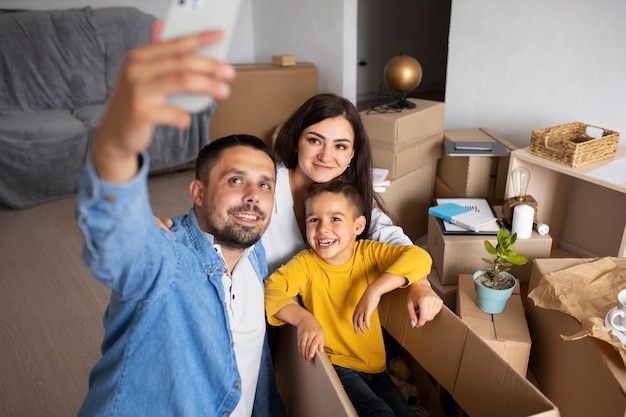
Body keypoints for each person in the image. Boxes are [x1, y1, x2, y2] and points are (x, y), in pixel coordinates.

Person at [75, 25, 284, 417]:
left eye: (265, 185)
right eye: (235, 180)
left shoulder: (253, 255)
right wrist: (118, 143)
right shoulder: (167, 258)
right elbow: (117, 234)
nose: (254, 196)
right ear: (198, 193)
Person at [263, 93, 442, 327]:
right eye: (315, 140)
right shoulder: (263, 189)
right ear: (297, 141)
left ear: (352, 155)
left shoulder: (348, 196)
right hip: (268, 317)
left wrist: (420, 284)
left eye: (340, 146)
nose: (326, 156)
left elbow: (393, 239)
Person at [264, 177, 433, 417]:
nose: (323, 228)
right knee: (379, 413)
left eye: (335, 219)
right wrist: (304, 319)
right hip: (338, 366)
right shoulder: (306, 264)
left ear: (358, 226)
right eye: (314, 219)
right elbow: (271, 288)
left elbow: (419, 257)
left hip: (376, 367)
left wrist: (376, 289)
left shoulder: (370, 253)